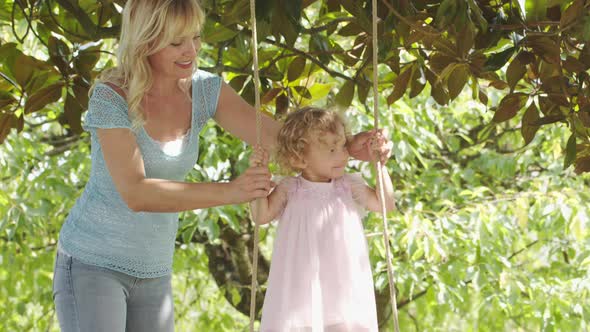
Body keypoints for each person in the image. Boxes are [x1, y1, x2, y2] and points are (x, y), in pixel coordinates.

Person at [52, 1, 378, 331]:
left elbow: (285, 142)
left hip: (154, 270)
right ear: (145, 41)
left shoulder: (206, 90)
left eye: (195, 37)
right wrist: (232, 191)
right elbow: (136, 193)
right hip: (92, 263)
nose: (191, 50)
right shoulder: (112, 97)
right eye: (176, 42)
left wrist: (349, 149)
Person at [249, 107, 396, 332]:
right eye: (332, 149)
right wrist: (257, 177)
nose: (344, 155)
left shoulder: (348, 185)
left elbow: (385, 206)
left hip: (343, 291)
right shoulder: (290, 188)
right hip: (301, 293)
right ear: (299, 159)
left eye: (342, 146)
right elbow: (261, 216)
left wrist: (379, 166)